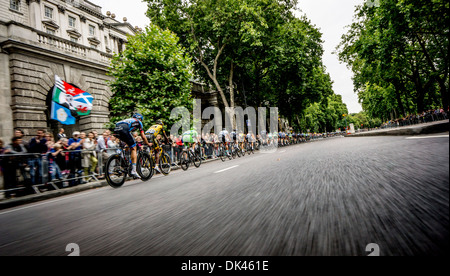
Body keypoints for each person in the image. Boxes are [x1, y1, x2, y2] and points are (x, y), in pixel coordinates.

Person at [114, 113, 151, 178]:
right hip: (124, 130)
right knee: (134, 147)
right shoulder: (138, 122)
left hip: (116, 129)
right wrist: (147, 143)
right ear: (140, 119)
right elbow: (143, 136)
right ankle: (133, 171)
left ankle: (125, 161)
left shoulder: (128, 120)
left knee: (129, 145)